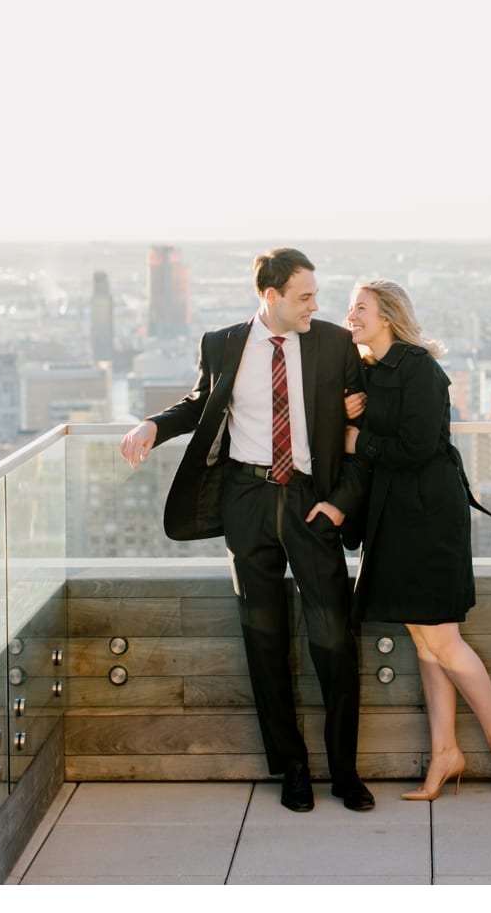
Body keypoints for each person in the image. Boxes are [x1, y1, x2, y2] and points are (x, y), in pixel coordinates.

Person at [120, 247, 374, 813]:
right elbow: (199, 403)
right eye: (304, 296)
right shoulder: (223, 343)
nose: (315, 304)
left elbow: (363, 431)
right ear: (272, 296)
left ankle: (345, 773)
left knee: (333, 639)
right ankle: (292, 772)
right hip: (247, 500)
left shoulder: (333, 344)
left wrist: (339, 504)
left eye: (315, 294)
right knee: (264, 642)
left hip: (313, 503)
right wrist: (151, 425)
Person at [343, 279, 491, 799]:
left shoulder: (419, 368)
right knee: (423, 640)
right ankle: (445, 752)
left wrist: (361, 438)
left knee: (441, 639)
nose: (351, 315)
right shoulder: (369, 373)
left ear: (388, 317)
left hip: (428, 516)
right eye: (351, 307)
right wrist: (349, 417)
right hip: (394, 517)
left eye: (361, 308)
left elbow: (420, 446)